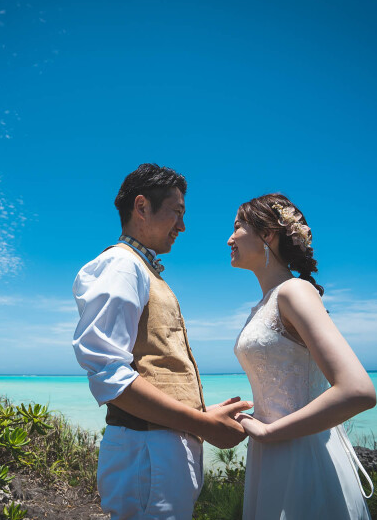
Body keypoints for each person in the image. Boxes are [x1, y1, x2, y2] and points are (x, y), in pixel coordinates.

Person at [73, 163, 251, 519]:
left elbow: (148, 367)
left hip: (154, 450)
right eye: (177, 212)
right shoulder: (123, 266)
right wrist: (204, 425)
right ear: (142, 207)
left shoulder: (140, 268)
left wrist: (202, 413)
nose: (182, 226)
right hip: (146, 452)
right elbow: (108, 372)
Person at [227, 193, 376, 519]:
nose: (229, 238)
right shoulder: (262, 305)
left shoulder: (295, 292)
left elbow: (357, 390)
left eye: (238, 227)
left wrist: (269, 432)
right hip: (270, 457)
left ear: (268, 234)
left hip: (301, 456)